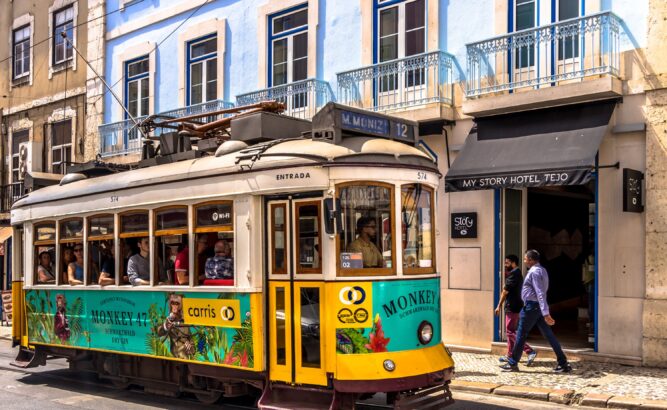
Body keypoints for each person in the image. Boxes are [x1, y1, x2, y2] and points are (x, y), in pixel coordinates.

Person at [500, 250, 572, 373]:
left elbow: (540, 293)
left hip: (531, 307)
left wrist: (546, 313)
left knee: (521, 334)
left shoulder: (534, 272)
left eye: (525, 259)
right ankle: (563, 363)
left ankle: (512, 363)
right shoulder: (542, 270)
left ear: (531, 260)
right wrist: (543, 311)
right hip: (536, 307)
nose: (524, 261)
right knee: (549, 335)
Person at [495, 254, 537, 365]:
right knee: (511, 331)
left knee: (510, 332)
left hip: (512, 307)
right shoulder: (516, 273)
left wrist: (498, 305)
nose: (505, 265)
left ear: (513, 263)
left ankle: (530, 351)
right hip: (516, 306)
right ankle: (510, 354)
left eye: (507, 263)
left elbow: (505, 291)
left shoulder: (514, 274)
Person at [157, 294, 194, 359]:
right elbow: (158, 332)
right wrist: (166, 326)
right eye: (172, 303)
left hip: (184, 358)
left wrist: (190, 347)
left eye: (177, 304)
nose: (174, 307)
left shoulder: (185, 322)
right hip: (172, 357)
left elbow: (193, 347)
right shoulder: (167, 320)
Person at [582, 248, 595, 336]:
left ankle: (591, 321)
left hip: (589, 282)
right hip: (592, 282)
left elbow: (584, 272)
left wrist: (584, 282)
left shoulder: (588, 258)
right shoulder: (593, 258)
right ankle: (592, 322)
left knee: (591, 303)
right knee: (592, 303)